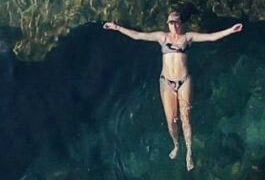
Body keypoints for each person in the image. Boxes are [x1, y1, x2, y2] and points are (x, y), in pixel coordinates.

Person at [103, 11, 243, 171]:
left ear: (181, 24)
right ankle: (176, 144)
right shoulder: (161, 37)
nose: (174, 25)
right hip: (166, 82)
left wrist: (231, 30)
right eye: (171, 23)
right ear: (167, 24)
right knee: (171, 120)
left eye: (176, 22)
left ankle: (189, 151)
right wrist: (116, 27)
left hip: (184, 81)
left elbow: (211, 37)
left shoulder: (188, 37)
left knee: (186, 118)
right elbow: (138, 36)